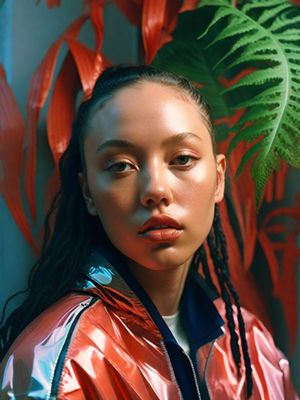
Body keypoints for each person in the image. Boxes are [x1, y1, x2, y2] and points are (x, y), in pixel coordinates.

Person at [0, 64, 297, 400]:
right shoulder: (58, 363)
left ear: (218, 178)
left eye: (182, 159)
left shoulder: (251, 344)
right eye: (121, 166)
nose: (155, 189)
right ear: (88, 193)